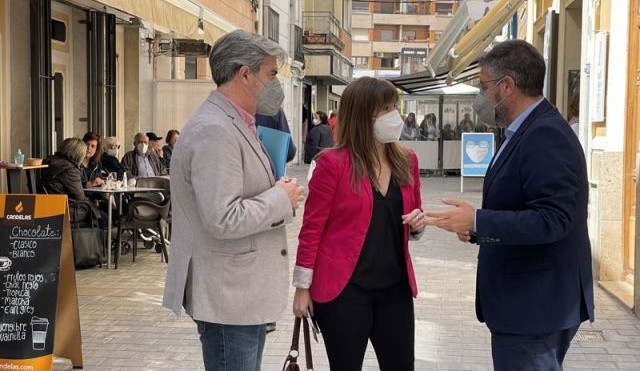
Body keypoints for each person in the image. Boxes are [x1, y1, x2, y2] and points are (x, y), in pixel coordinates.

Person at [424, 40, 594, 371]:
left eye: (483, 86)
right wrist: (475, 227)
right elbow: (523, 204)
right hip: (528, 305)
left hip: (535, 308)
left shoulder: (545, 134)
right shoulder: (524, 129)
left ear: (507, 86)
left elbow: (553, 219)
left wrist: (479, 221)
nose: (480, 98)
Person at [162, 29, 305, 371]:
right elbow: (222, 217)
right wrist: (279, 198)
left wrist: (276, 192)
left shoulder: (236, 123)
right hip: (229, 297)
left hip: (241, 293)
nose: (275, 83)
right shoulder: (215, 130)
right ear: (245, 74)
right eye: (270, 74)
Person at [292, 76, 426, 370]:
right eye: (386, 109)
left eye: (394, 107)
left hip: (395, 288)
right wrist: (302, 288)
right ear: (363, 115)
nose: (395, 116)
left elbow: (414, 216)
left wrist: (418, 224)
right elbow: (312, 229)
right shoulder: (332, 163)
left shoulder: (408, 161)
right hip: (344, 290)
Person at [41, 138, 107, 228]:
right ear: (78, 154)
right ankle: (91, 242)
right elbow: (80, 197)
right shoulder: (70, 170)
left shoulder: (49, 162)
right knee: (103, 217)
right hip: (66, 209)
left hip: (48, 207)